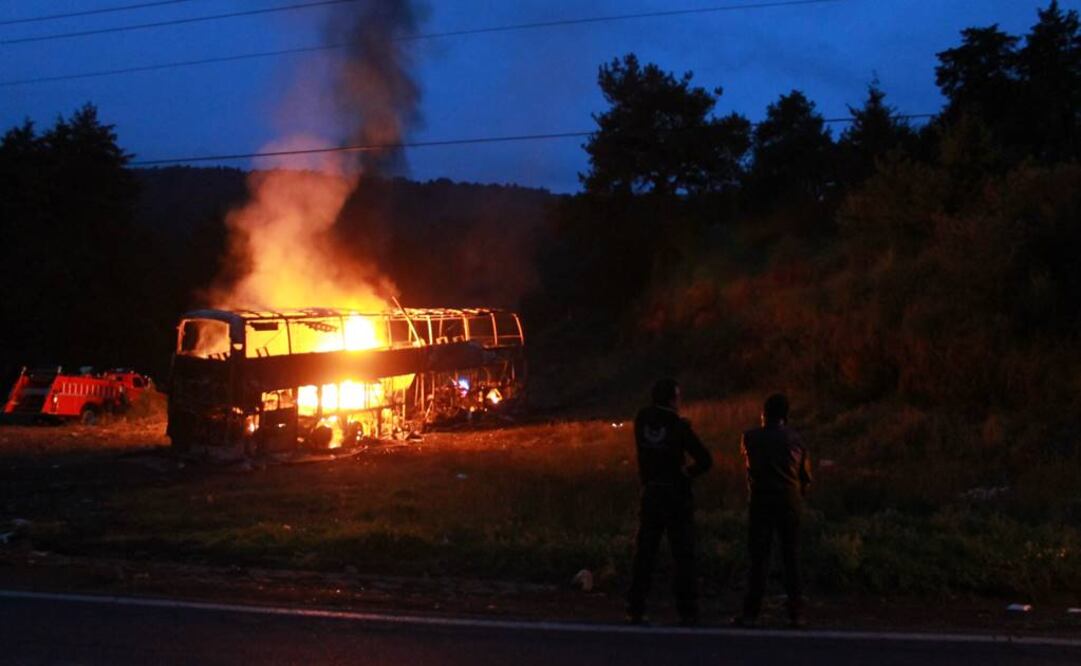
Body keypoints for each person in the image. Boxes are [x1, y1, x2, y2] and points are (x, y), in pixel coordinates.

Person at [627, 378, 713, 626]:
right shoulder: (678, 425)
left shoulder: (642, 420)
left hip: (651, 491)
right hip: (676, 495)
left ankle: (636, 607)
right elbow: (705, 460)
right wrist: (687, 473)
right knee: (683, 554)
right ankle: (688, 610)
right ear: (672, 399)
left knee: (645, 552)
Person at [734, 393, 812, 628]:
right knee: (791, 559)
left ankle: (750, 613)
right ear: (785, 416)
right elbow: (805, 478)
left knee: (758, 560)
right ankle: (796, 614)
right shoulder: (797, 440)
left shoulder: (750, 438)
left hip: (761, 503)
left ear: (764, 414)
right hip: (790, 503)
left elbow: (749, 470)